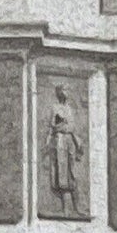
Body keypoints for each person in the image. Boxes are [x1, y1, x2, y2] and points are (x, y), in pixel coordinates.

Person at [44, 85, 84, 215]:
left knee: (72, 172)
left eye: (67, 90)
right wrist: (47, 141)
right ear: (59, 93)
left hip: (70, 139)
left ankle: (77, 208)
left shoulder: (69, 109)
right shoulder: (55, 108)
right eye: (64, 90)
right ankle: (65, 209)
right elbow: (52, 127)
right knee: (61, 173)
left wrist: (78, 144)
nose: (66, 93)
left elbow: (72, 127)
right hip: (60, 140)